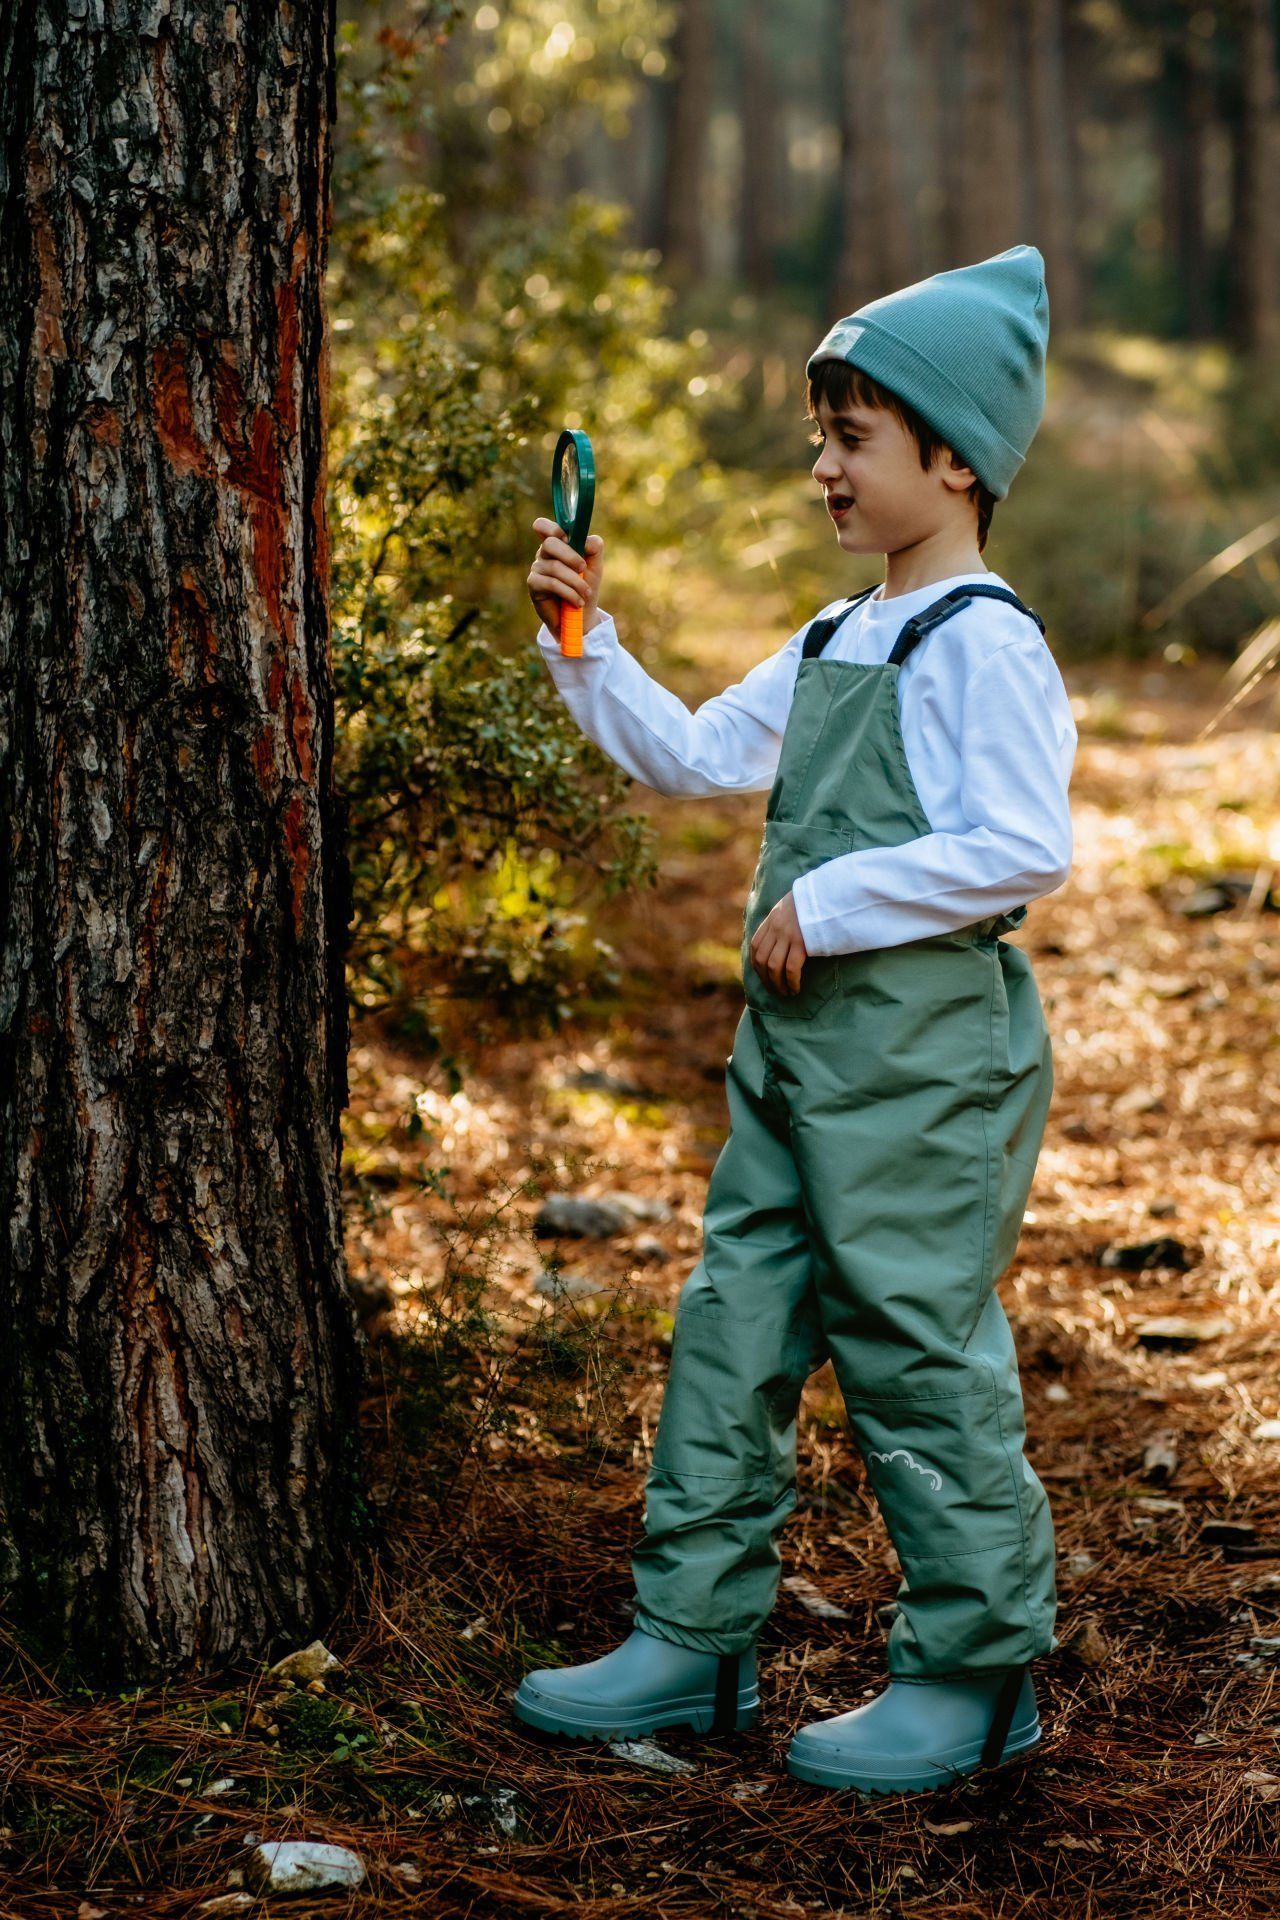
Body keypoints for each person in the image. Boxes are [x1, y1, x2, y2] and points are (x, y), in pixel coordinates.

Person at [513, 244, 1078, 1796]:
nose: (823, 467)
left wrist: (829, 905)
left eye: (855, 437)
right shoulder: (842, 636)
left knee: (911, 1340)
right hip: (796, 1055)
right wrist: (587, 645)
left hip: (925, 1064)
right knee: (733, 1316)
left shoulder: (985, 640)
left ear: (954, 457)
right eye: (821, 435)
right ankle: (690, 1636)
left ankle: (975, 1673)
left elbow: (1024, 840)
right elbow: (697, 754)